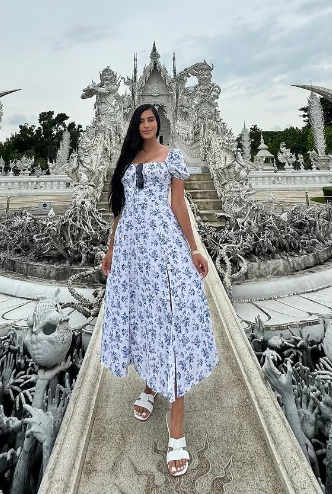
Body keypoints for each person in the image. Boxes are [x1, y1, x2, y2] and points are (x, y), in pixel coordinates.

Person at [99, 104, 219, 477]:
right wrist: (111, 247)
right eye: (141, 121)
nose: (147, 125)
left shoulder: (172, 158)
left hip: (164, 248)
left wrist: (193, 247)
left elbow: (178, 204)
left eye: (151, 120)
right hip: (133, 253)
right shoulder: (127, 160)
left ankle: (176, 427)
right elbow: (120, 210)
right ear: (135, 126)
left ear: (158, 124)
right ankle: (151, 386)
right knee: (145, 318)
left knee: (171, 319)